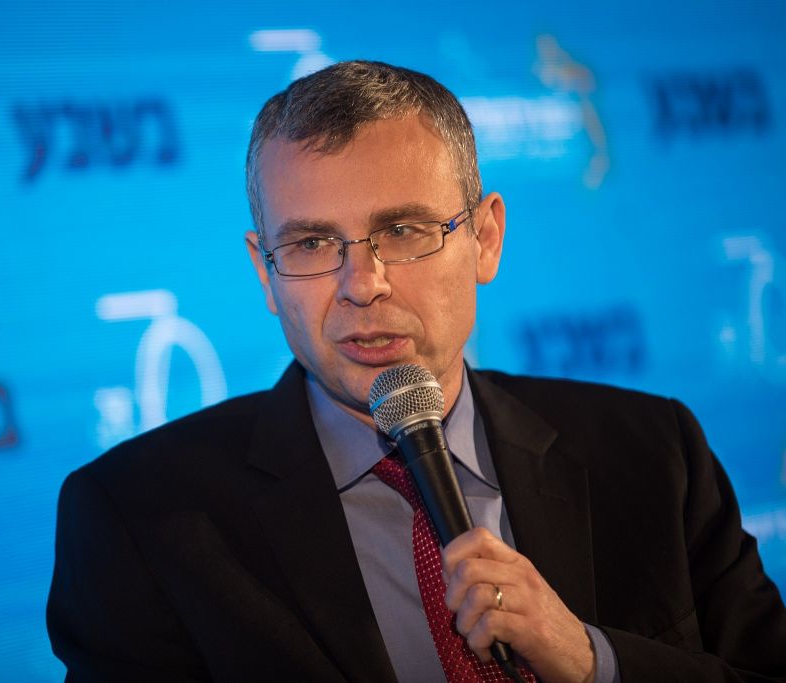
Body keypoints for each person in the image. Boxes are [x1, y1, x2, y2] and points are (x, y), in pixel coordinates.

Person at [47, 61, 786, 682]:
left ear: (485, 239)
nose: (361, 284)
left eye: (402, 231)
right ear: (265, 272)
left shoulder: (654, 452)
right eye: (311, 244)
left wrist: (593, 662)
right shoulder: (138, 519)